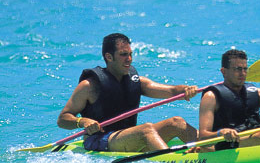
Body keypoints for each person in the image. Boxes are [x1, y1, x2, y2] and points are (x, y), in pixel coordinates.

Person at [57, 33, 199, 152]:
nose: (129, 59)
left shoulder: (136, 81)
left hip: (129, 137)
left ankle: (211, 150)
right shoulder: (89, 86)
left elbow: (172, 91)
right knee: (146, 129)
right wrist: (82, 121)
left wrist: (186, 90)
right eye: (123, 54)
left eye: (130, 54)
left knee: (177, 122)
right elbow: (63, 118)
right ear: (109, 57)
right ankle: (171, 162)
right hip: (101, 141)